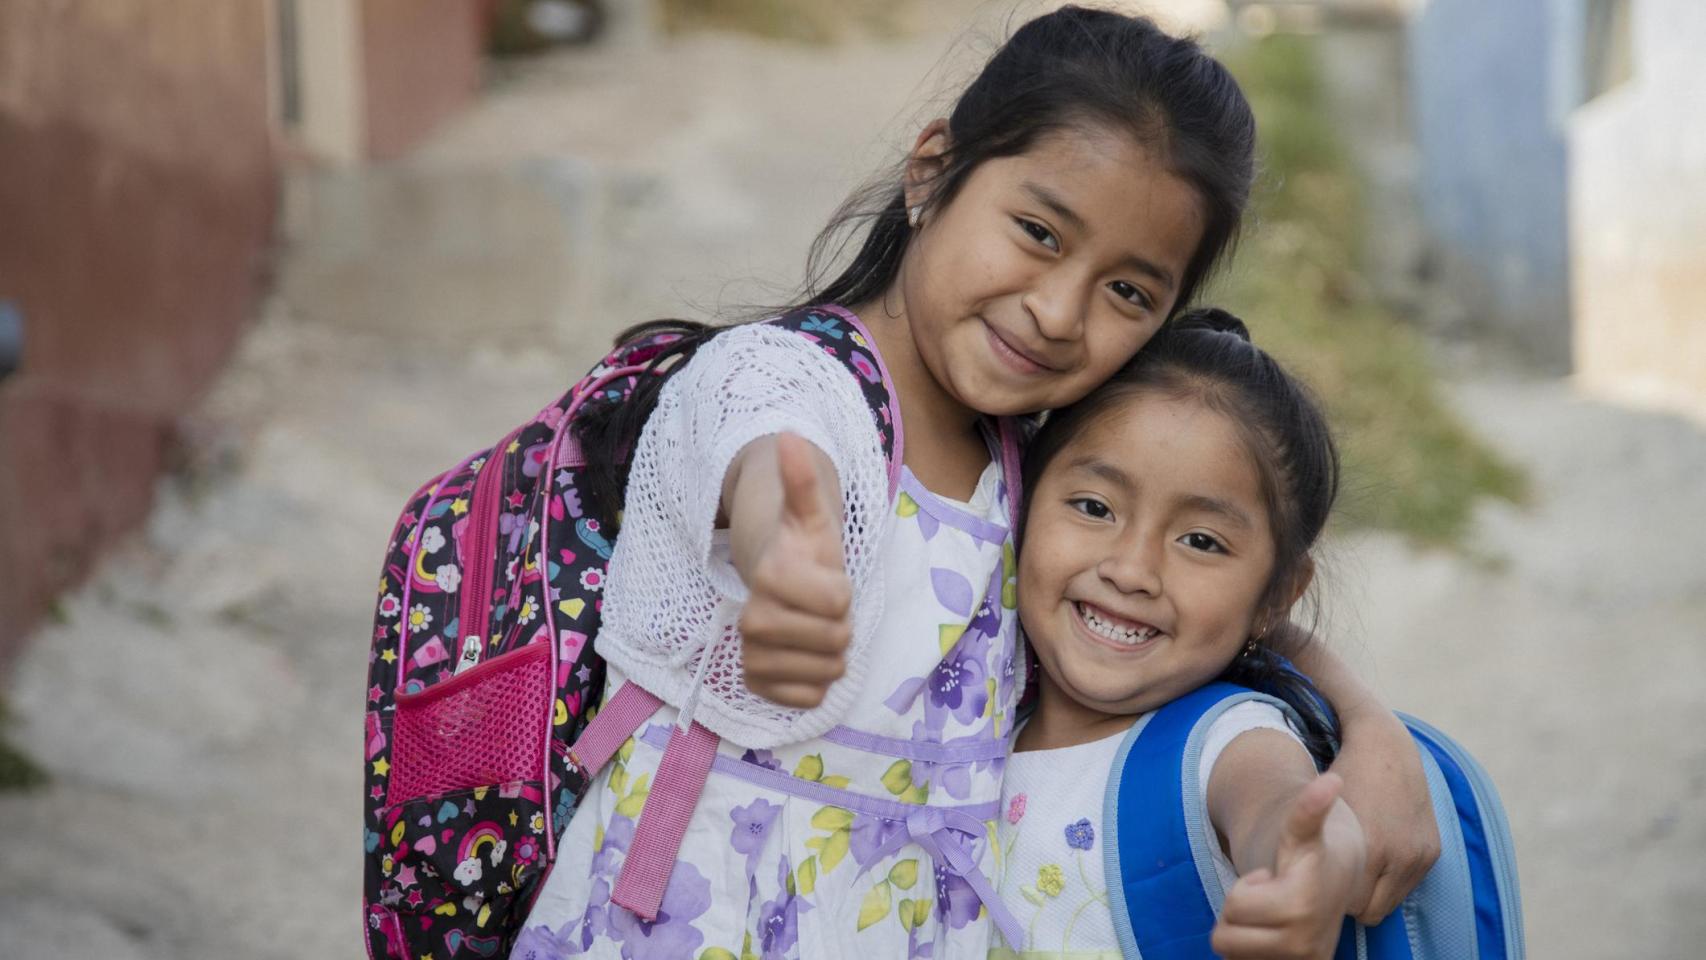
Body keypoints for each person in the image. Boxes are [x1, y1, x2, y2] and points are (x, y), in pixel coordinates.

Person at [513, 8, 1432, 959]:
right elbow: (774, 468)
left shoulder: (1029, 461)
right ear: (931, 171)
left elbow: (1218, 594)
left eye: (1129, 291)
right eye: (1039, 231)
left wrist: (1369, 730)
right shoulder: (784, 380)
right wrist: (788, 564)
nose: (1056, 310)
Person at [995, 309, 1361, 960]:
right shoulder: (983, 705)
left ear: (1276, 598)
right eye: (1094, 507)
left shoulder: (1223, 742)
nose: (1132, 570)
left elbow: (1282, 806)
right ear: (1022, 500)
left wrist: (1310, 867)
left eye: (1200, 541)